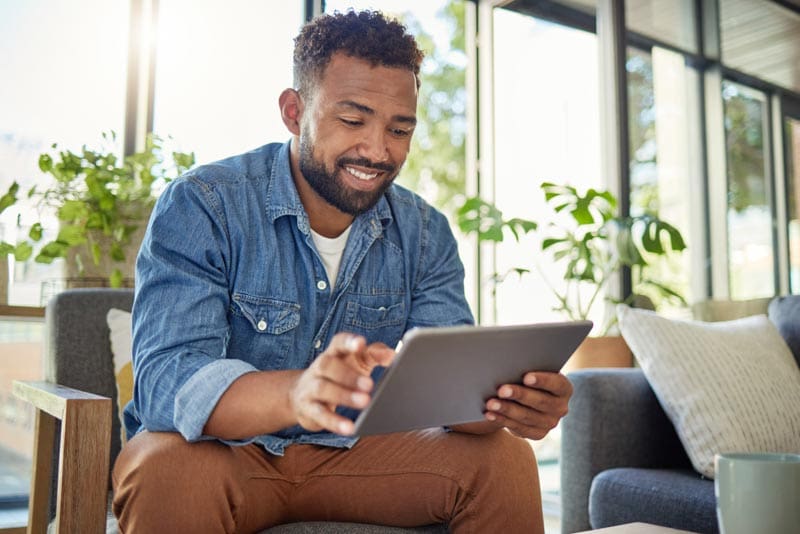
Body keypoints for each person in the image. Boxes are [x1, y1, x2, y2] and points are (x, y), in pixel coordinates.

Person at [112, 9, 573, 533]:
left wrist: (509, 406)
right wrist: (296, 393)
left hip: (354, 458)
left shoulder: (424, 232)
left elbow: (450, 399)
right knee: (166, 467)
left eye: (399, 129)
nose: (377, 150)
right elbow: (167, 382)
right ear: (293, 111)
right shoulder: (205, 204)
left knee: (504, 458)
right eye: (353, 120)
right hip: (228, 457)